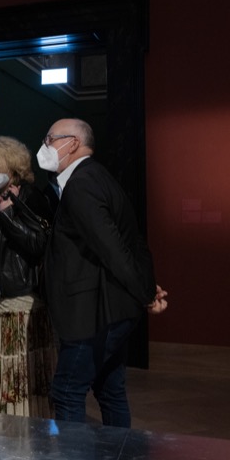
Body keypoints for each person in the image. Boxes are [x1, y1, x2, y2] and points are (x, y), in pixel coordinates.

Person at [38, 118, 168, 428]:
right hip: (109, 309)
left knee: (67, 391)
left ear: (72, 143)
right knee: (110, 389)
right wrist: (145, 286)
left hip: (93, 315)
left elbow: (113, 248)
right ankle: (120, 455)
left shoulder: (82, 184)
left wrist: (146, 294)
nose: (44, 145)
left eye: (50, 139)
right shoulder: (95, 176)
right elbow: (127, 241)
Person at [0, 136, 59, 417]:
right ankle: (0, 427)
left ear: (13, 168)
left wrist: (9, 217)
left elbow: (40, 245)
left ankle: (22, 428)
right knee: (0, 373)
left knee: (18, 373)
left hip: (20, 304)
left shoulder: (31, 197)